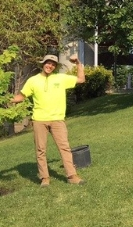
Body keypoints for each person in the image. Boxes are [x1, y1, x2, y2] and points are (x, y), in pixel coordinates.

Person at [9, 54, 86, 187]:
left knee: (64, 148)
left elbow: (81, 79)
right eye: (47, 63)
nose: (49, 66)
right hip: (39, 120)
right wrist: (7, 100)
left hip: (57, 120)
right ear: (43, 64)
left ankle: (72, 176)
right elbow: (21, 96)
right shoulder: (33, 81)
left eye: (52, 64)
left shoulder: (61, 78)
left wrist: (78, 64)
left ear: (55, 67)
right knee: (40, 150)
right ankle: (45, 178)